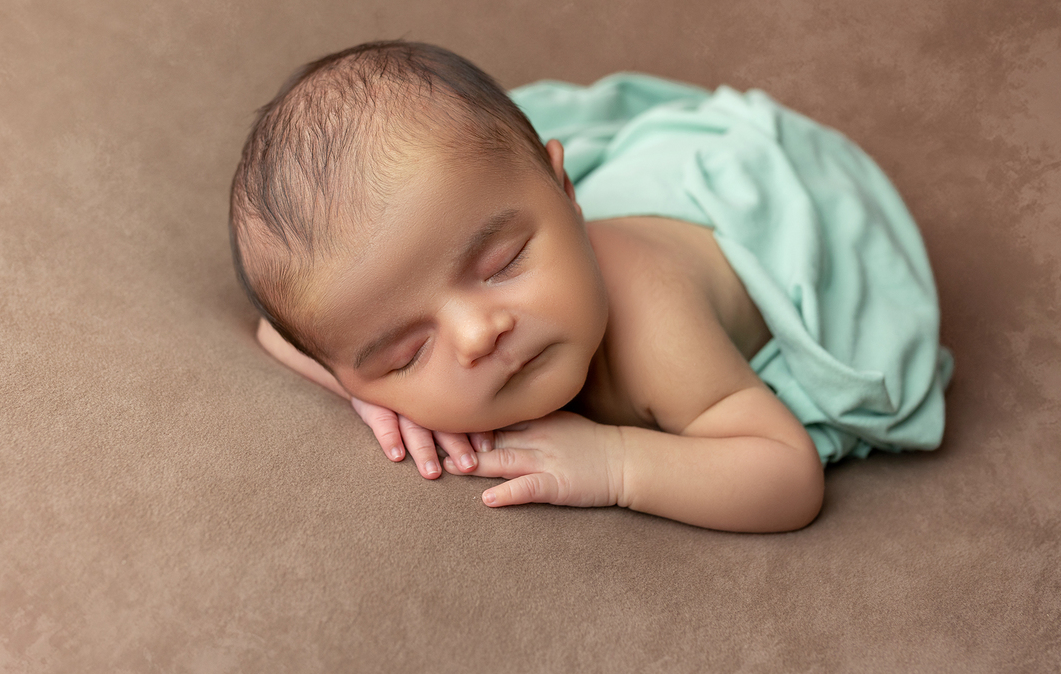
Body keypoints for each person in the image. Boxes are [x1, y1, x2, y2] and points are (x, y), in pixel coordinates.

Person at [229, 41, 953, 532]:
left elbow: (786, 474)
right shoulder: (360, 346)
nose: (481, 334)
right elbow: (279, 330)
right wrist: (373, 397)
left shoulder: (655, 323)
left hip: (768, 214)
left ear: (569, 194)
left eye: (504, 262)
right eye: (406, 353)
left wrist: (617, 463)